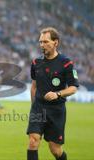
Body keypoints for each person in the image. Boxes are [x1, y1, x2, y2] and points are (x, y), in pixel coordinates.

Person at [27, 27, 79, 160]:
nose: (42, 45)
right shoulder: (36, 62)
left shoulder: (66, 63)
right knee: (33, 141)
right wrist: (34, 107)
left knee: (55, 149)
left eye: (45, 42)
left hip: (56, 110)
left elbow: (73, 88)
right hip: (38, 108)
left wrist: (58, 94)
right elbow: (33, 86)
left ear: (56, 42)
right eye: (40, 42)